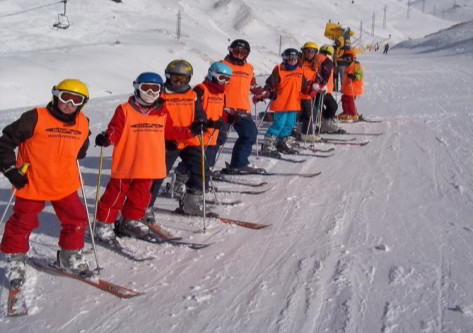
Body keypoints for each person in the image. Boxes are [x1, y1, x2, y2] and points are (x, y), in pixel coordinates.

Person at [0, 79, 91, 285]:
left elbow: (82, 148)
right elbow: (5, 142)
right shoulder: (35, 117)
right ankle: (15, 258)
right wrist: (10, 169)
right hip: (33, 182)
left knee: (76, 219)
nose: (69, 103)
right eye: (64, 97)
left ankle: (70, 256)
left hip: (65, 183)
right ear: (55, 96)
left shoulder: (83, 122)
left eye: (76, 100)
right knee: (23, 222)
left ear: (83, 103)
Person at [94, 72, 197, 241]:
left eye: (155, 89)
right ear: (137, 88)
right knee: (115, 196)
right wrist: (107, 137)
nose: (151, 93)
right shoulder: (124, 110)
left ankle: (130, 221)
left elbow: (170, 131)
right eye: (146, 88)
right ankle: (103, 224)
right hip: (127, 163)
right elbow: (115, 129)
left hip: (149, 164)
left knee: (141, 197)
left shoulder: (162, 112)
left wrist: (190, 131)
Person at [143, 60, 210, 218]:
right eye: (175, 79)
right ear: (167, 77)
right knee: (158, 174)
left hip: (190, 140)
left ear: (189, 79)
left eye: (183, 79)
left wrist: (201, 122)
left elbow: (199, 113)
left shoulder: (193, 95)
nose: (179, 83)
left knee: (201, 170)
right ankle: (144, 206)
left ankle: (191, 202)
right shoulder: (161, 95)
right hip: (169, 141)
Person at [218, 39, 265, 174]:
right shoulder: (222, 65)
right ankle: (204, 169)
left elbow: (252, 84)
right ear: (231, 50)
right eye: (236, 51)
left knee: (250, 134)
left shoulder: (249, 68)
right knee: (217, 139)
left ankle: (239, 163)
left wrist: (261, 92)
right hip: (225, 109)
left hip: (243, 108)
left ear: (247, 54)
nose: (239, 54)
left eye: (243, 52)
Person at [256, 48, 313, 156]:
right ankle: (267, 145)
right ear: (285, 58)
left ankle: (282, 143)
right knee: (279, 124)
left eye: (295, 58)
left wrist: (312, 89)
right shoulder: (279, 69)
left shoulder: (300, 70)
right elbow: (270, 83)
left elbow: (304, 86)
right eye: (290, 58)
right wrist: (266, 91)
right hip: (281, 103)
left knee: (290, 124)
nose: (292, 61)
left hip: (294, 103)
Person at [193, 62, 232, 169]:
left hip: (215, 131)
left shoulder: (222, 93)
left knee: (209, 156)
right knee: (196, 157)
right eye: (221, 77)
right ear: (212, 74)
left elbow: (222, 111)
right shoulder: (201, 89)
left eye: (227, 79)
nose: (224, 81)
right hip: (201, 129)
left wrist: (229, 118)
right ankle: (182, 176)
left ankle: (206, 173)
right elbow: (191, 108)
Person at [316, 44, 345, 134]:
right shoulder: (323, 58)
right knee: (328, 107)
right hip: (321, 90)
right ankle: (324, 123)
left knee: (329, 106)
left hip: (324, 90)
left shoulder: (324, 60)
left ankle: (325, 122)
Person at [298, 41, 319, 142]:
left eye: (312, 51)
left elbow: (315, 79)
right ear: (303, 52)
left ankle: (305, 133)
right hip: (299, 94)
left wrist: (315, 87)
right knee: (308, 113)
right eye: (308, 51)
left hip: (308, 95)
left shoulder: (314, 65)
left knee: (311, 113)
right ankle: (305, 133)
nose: (310, 53)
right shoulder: (299, 62)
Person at [338, 49, 364, 122]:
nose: (346, 60)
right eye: (345, 58)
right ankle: (346, 112)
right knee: (344, 99)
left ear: (353, 58)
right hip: (347, 88)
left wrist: (354, 76)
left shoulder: (356, 65)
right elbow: (345, 79)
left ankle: (353, 114)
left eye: (348, 58)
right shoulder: (346, 67)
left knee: (350, 101)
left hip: (353, 88)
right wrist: (342, 88)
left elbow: (360, 74)